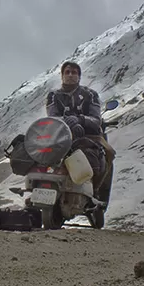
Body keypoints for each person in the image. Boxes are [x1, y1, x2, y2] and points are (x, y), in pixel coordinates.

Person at [45, 61, 116, 208]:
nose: (70, 75)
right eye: (67, 72)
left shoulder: (90, 95)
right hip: (60, 137)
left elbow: (96, 119)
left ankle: (94, 190)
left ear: (79, 76)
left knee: (109, 153)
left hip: (90, 137)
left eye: (74, 72)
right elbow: (52, 118)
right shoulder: (53, 96)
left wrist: (80, 120)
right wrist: (69, 122)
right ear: (62, 76)